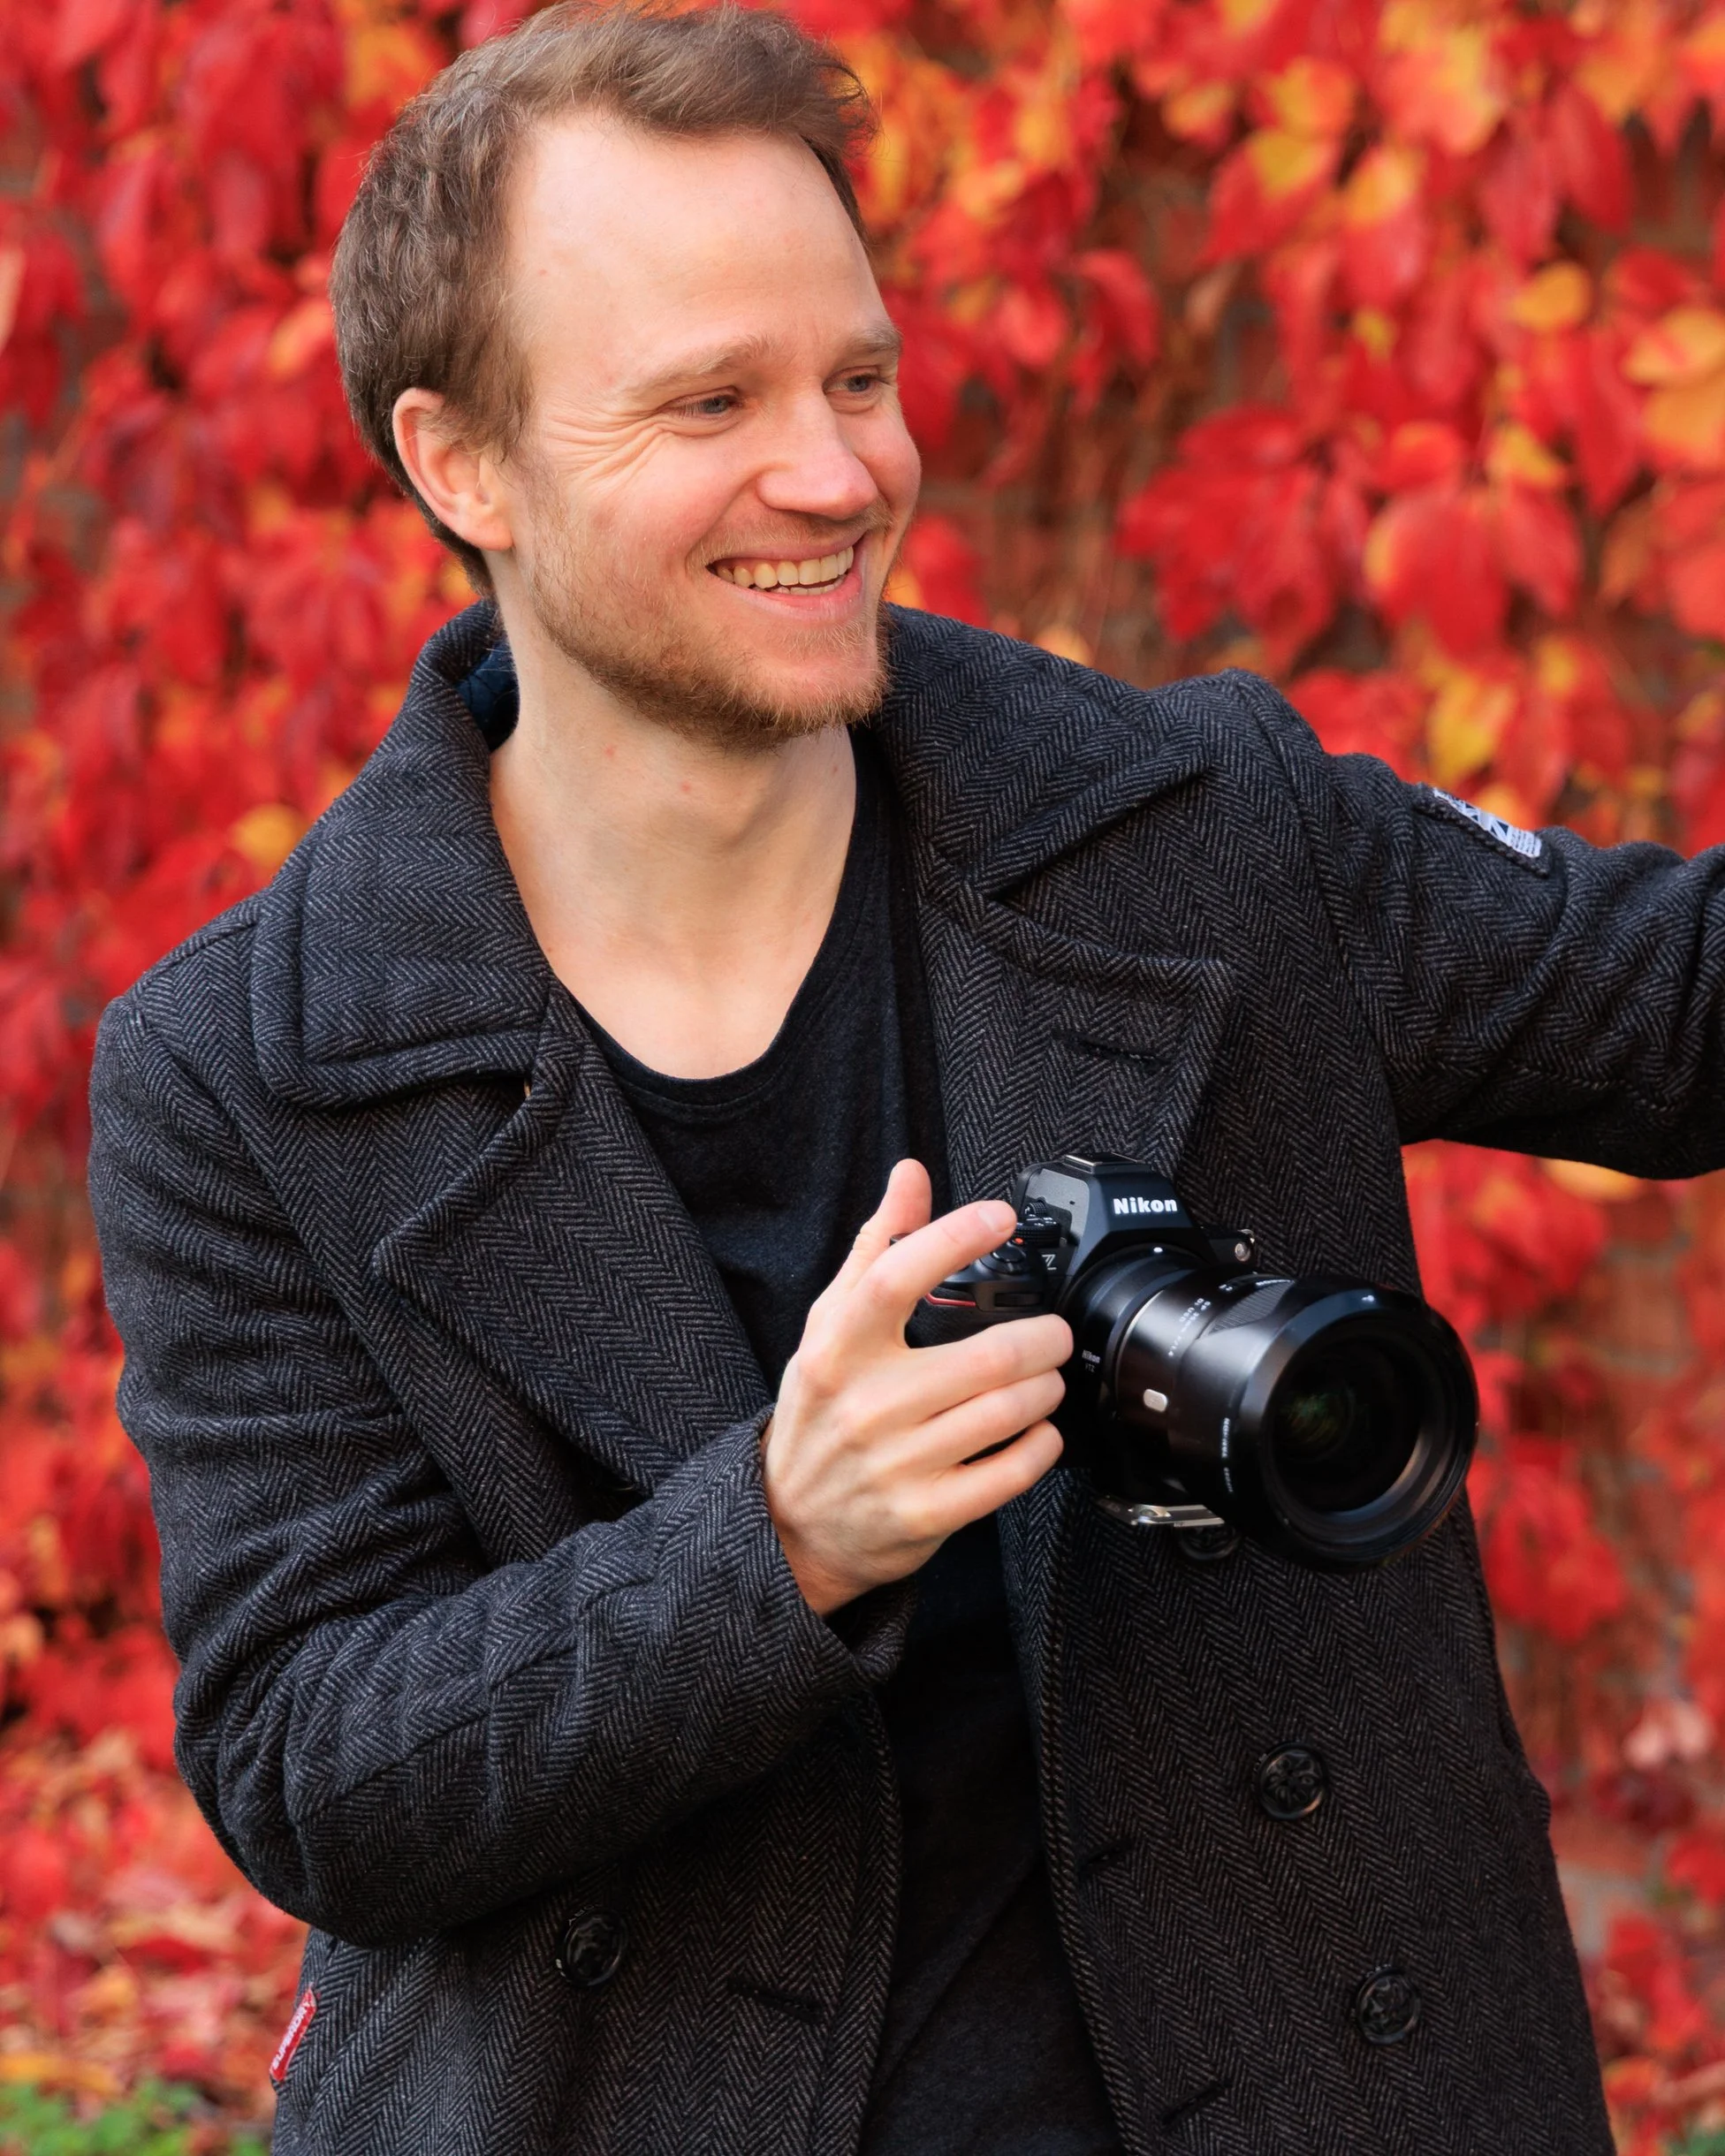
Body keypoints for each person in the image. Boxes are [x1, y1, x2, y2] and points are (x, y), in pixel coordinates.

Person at [86, 5, 1721, 2152]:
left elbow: (1680, 1003)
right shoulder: (245, 1068)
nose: (839, 471)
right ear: (456, 460)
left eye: (856, 374)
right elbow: (321, 1763)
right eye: (711, 401)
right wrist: (771, 1540)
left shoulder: (1192, 828)